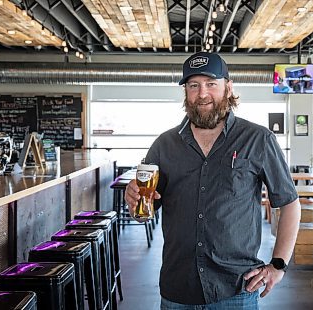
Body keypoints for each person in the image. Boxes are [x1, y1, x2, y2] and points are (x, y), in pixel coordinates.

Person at [124, 51, 301, 309]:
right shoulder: (164, 145)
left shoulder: (258, 139)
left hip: (237, 289)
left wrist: (278, 265)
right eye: (194, 85)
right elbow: (144, 211)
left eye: (211, 84)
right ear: (185, 92)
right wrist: (134, 201)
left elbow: (289, 203)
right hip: (178, 290)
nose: (202, 94)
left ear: (228, 88)